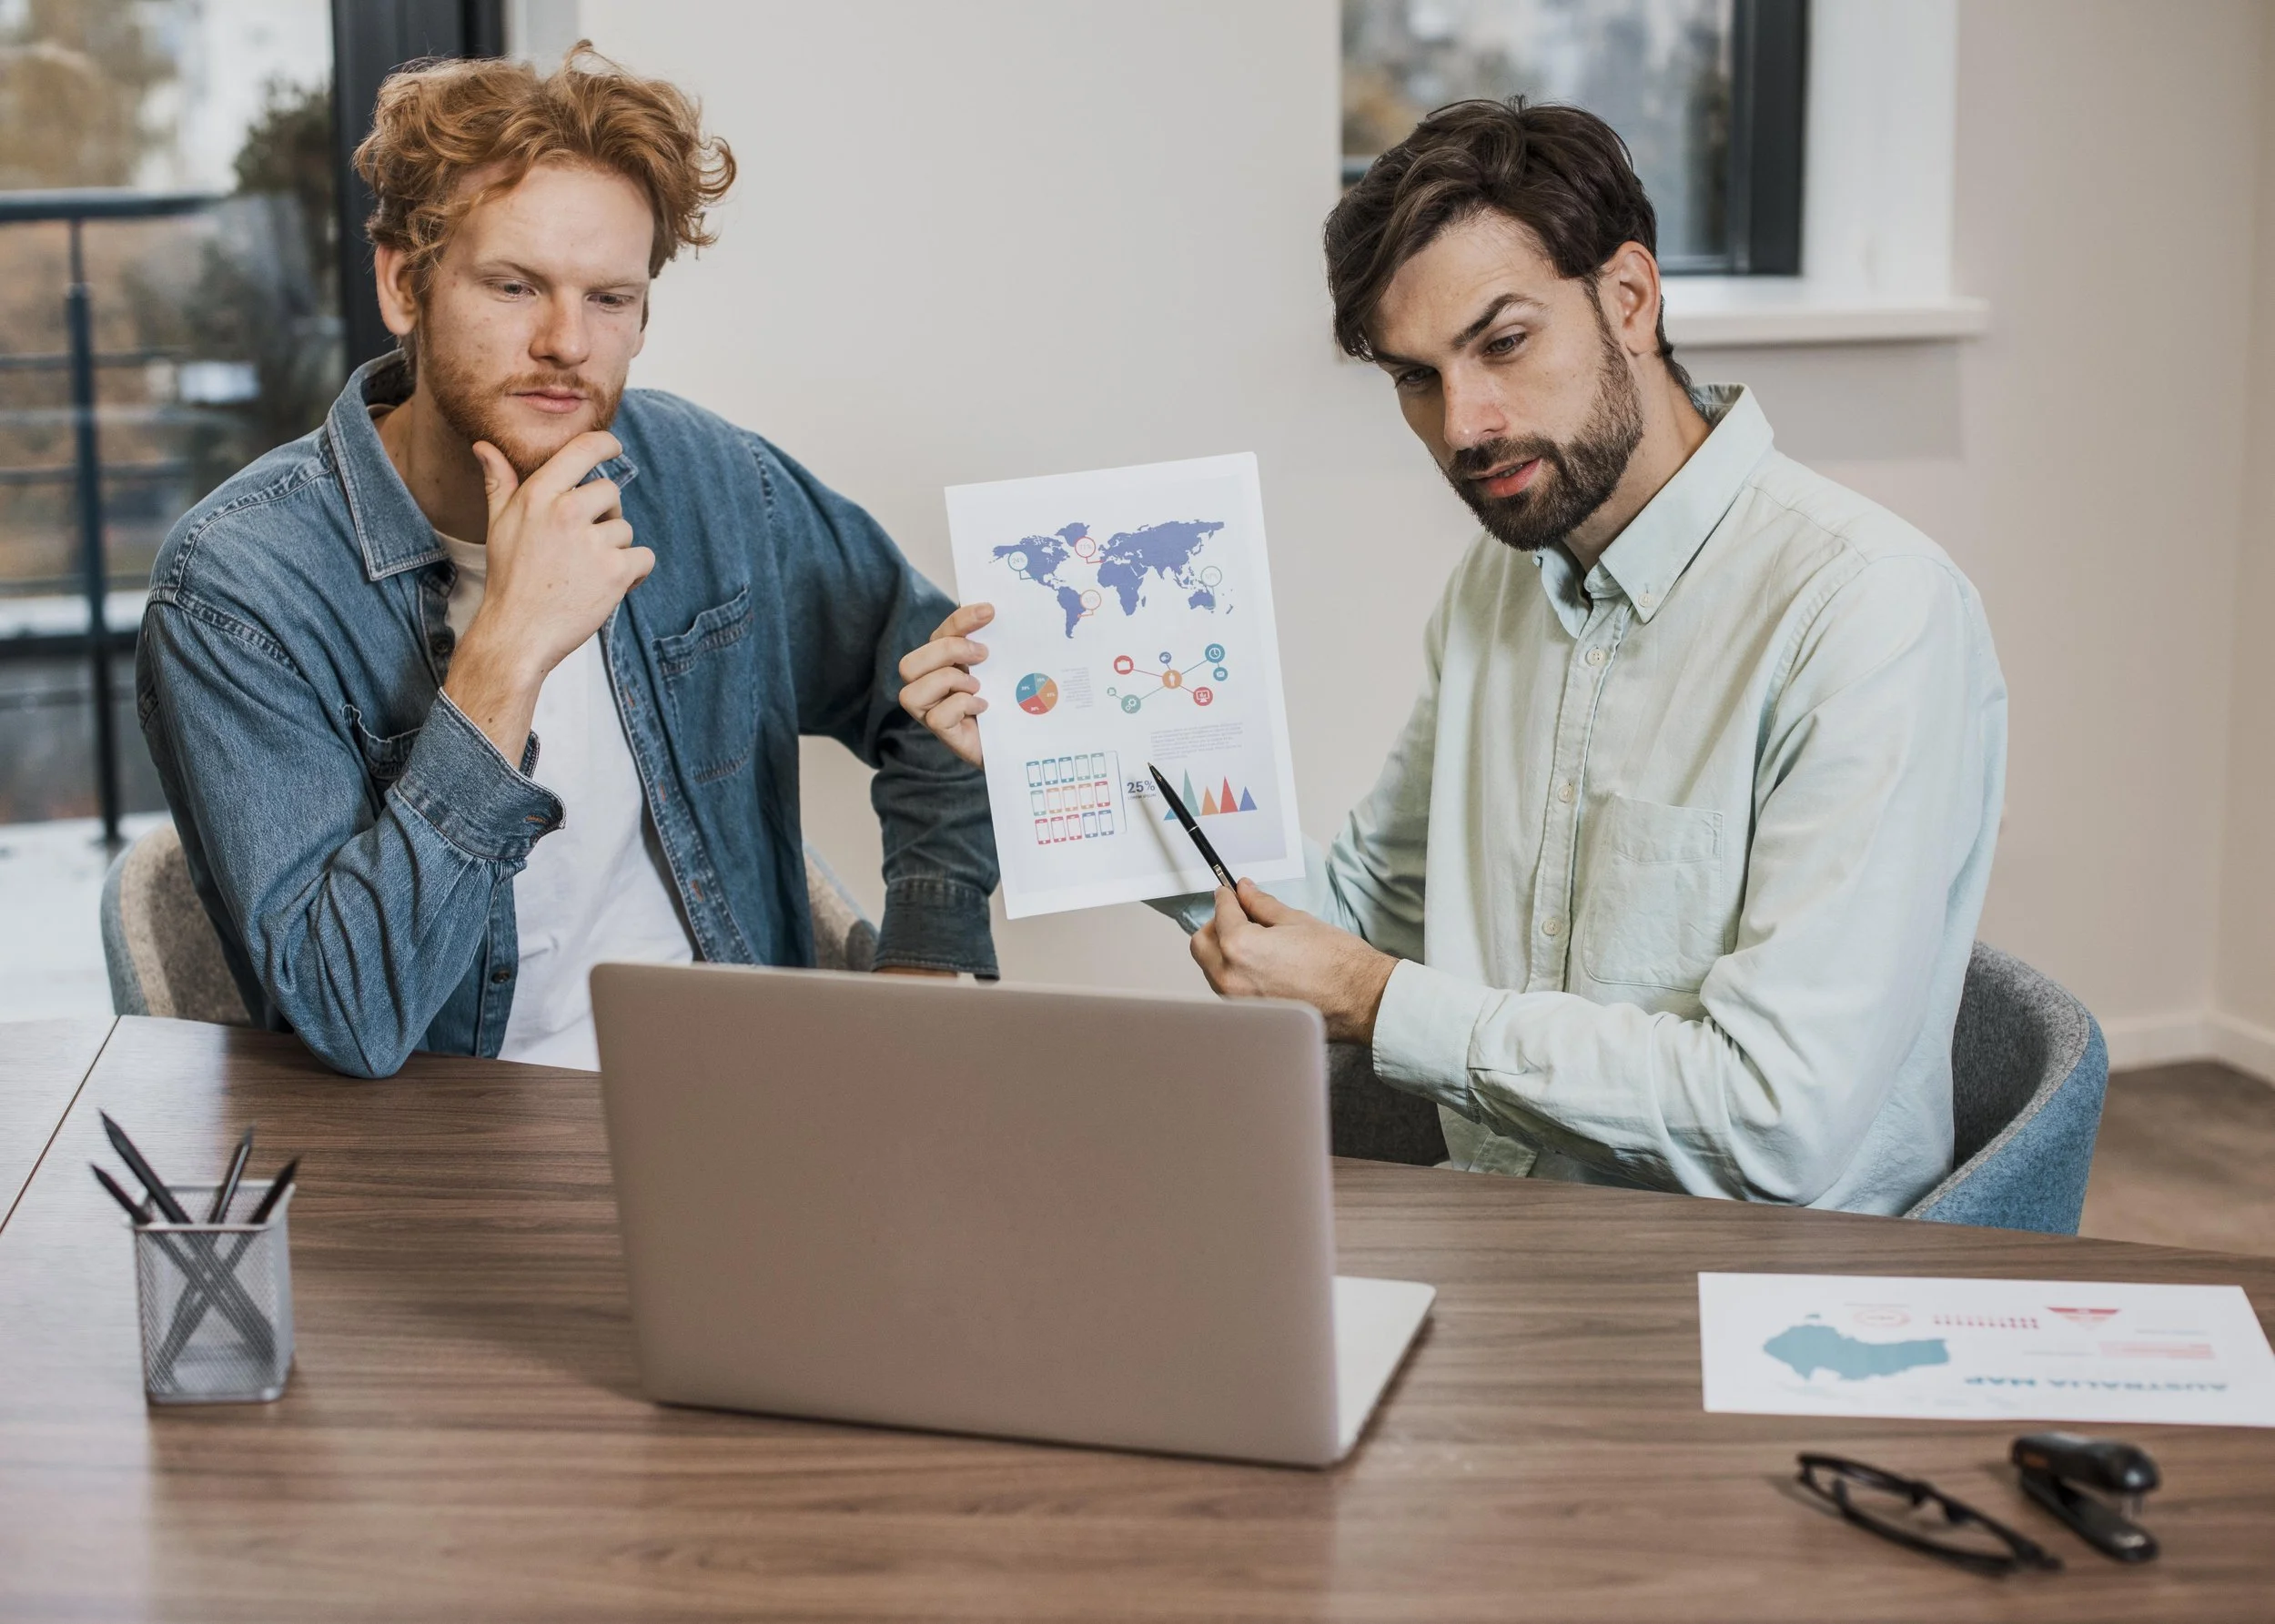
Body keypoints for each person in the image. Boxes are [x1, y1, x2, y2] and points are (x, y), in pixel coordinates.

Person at [898, 100, 2006, 1215]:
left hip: (1759, 1301)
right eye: (1415, 378)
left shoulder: (1869, 612)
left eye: (1504, 343)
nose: (1464, 426)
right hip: (1508, 1240)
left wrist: (1383, 1004)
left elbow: (1781, 1120)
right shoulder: (1501, 584)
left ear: (1628, 298)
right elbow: (1361, 910)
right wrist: (1070, 759)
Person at [138, 49, 997, 1079]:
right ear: (404, 286)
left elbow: (951, 692)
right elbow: (352, 1015)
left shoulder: (711, 480)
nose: (566, 343)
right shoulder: (237, 589)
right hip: (457, 1160)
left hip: (755, 1118)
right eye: (514, 286)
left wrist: (922, 978)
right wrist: (504, 649)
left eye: (609, 300)